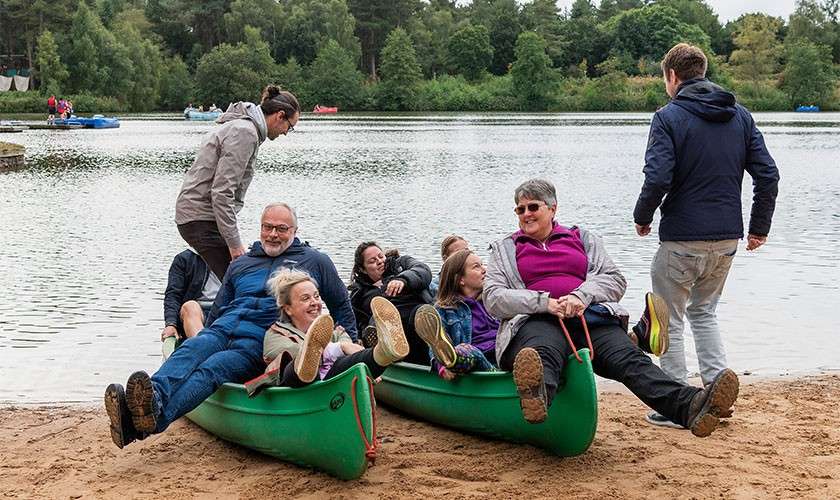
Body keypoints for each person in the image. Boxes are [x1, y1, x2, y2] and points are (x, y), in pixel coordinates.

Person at [484, 178, 739, 438]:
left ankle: (691, 406)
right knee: (542, 351)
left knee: (630, 359)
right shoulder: (505, 249)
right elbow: (493, 298)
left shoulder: (582, 238)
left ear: (552, 208)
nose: (526, 214)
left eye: (533, 207)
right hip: (535, 320)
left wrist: (580, 296)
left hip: (588, 317)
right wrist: (544, 303)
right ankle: (538, 399)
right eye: (520, 209)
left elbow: (615, 280)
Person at [103, 203, 356, 449]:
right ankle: (153, 398)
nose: (273, 234)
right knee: (191, 350)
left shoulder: (314, 261)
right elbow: (218, 308)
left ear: (295, 231)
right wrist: (204, 335)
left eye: (281, 228)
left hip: (257, 341)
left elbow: (341, 305)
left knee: (212, 369)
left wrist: (353, 348)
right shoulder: (241, 264)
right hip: (222, 329)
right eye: (267, 227)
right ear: (260, 228)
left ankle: (148, 421)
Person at [633, 44, 779, 427]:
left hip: (682, 237)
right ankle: (716, 390)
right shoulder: (740, 116)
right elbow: (768, 175)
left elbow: (658, 176)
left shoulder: (668, 117)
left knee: (668, 319)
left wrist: (642, 216)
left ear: (671, 76)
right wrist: (759, 226)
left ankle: (677, 403)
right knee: (705, 312)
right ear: (704, 71)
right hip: (727, 239)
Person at [175, 84, 300, 279]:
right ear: (279, 115)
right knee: (239, 281)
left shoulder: (245, 127)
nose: (286, 132)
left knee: (236, 280)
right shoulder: (245, 133)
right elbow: (222, 192)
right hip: (200, 218)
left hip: (201, 217)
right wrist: (234, 245)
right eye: (289, 127)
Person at [245, 270, 408, 394]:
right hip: (299, 391)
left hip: (333, 386)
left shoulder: (335, 330)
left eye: (316, 296)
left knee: (350, 362)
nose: (314, 303)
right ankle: (375, 355)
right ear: (288, 309)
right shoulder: (275, 333)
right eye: (305, 298)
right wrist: (337, 348)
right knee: (298, 364)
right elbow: (291, 353)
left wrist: (366, 359)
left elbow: (351, 352)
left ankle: (383, 352)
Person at [415, 249, 498, 380]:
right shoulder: (445, 310)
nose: (484, 269)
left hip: (502, 354)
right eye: (477, 267)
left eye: (482, 264)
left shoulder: (494, 302)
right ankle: (450, 360)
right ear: (461, 280)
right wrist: (441, 367)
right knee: (466, 351)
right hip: (478, 363)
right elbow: (434, 344)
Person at [349, 243, 433, 365]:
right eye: (372, 261)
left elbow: (423, 270)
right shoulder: (359, 295)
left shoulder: (402, 264)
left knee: (420, 313)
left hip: (416, 314)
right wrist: (357, 339)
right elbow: (356, 322)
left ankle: (438, 349)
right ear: (363, 269)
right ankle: (383, 342)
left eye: (380, 256)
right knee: (381, 311)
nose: (379, 261)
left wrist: (403, 280)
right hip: (393, 332)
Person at [160, 249, 221, 341]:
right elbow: (173, 295)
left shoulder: (237, 259)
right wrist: (171, 324)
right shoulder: (184, 259)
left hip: (224, 310)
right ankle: (202, 347)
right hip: (196, 313)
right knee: (190, 306)